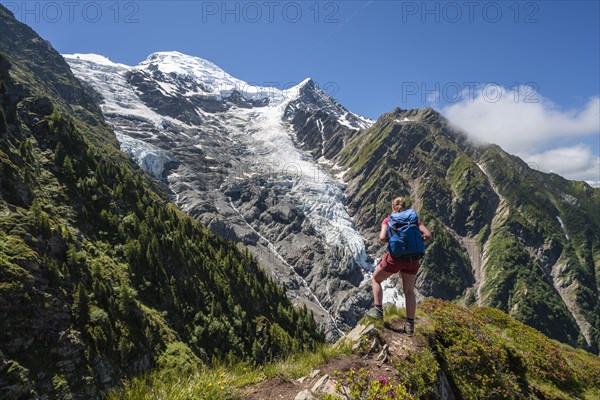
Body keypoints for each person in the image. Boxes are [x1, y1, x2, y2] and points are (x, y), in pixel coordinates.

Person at [366, 197, 432, 334]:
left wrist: (394, 241)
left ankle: (378, 310)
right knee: (409, 291)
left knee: (376, 279)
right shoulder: (414, 219)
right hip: (413, 259)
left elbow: (382, 237)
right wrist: (418, 242)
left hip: (395, 259)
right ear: (405, 206)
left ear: (393, 207)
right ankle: (410, 325)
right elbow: (428, 235)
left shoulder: (389, 220)